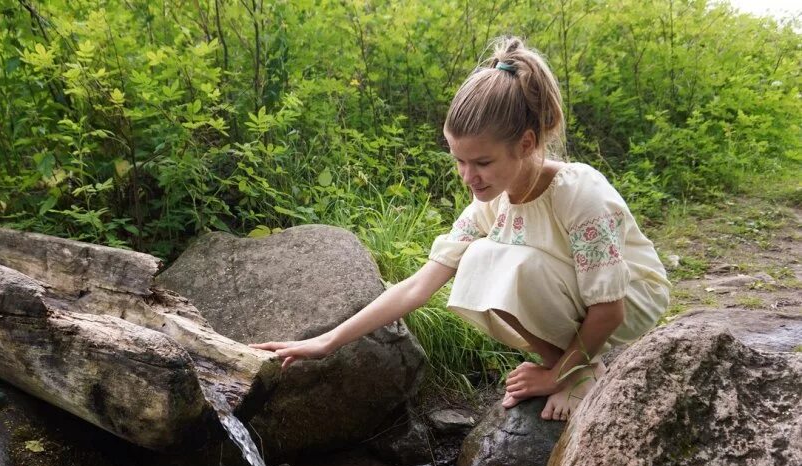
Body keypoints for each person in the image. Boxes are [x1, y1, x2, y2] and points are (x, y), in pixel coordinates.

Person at [250, 36, 671, 422]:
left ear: (525, 144)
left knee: (504, 261)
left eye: (482, 163)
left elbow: (610, 309)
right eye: (459, 160)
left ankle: (573, 372)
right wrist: (327, 341)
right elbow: (418, 287)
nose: (468, 175)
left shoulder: (579, 193)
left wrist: (554, 378)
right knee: (478, 260)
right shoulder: (492, 202)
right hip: (576, 292)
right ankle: (571, 362)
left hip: (627, 299)